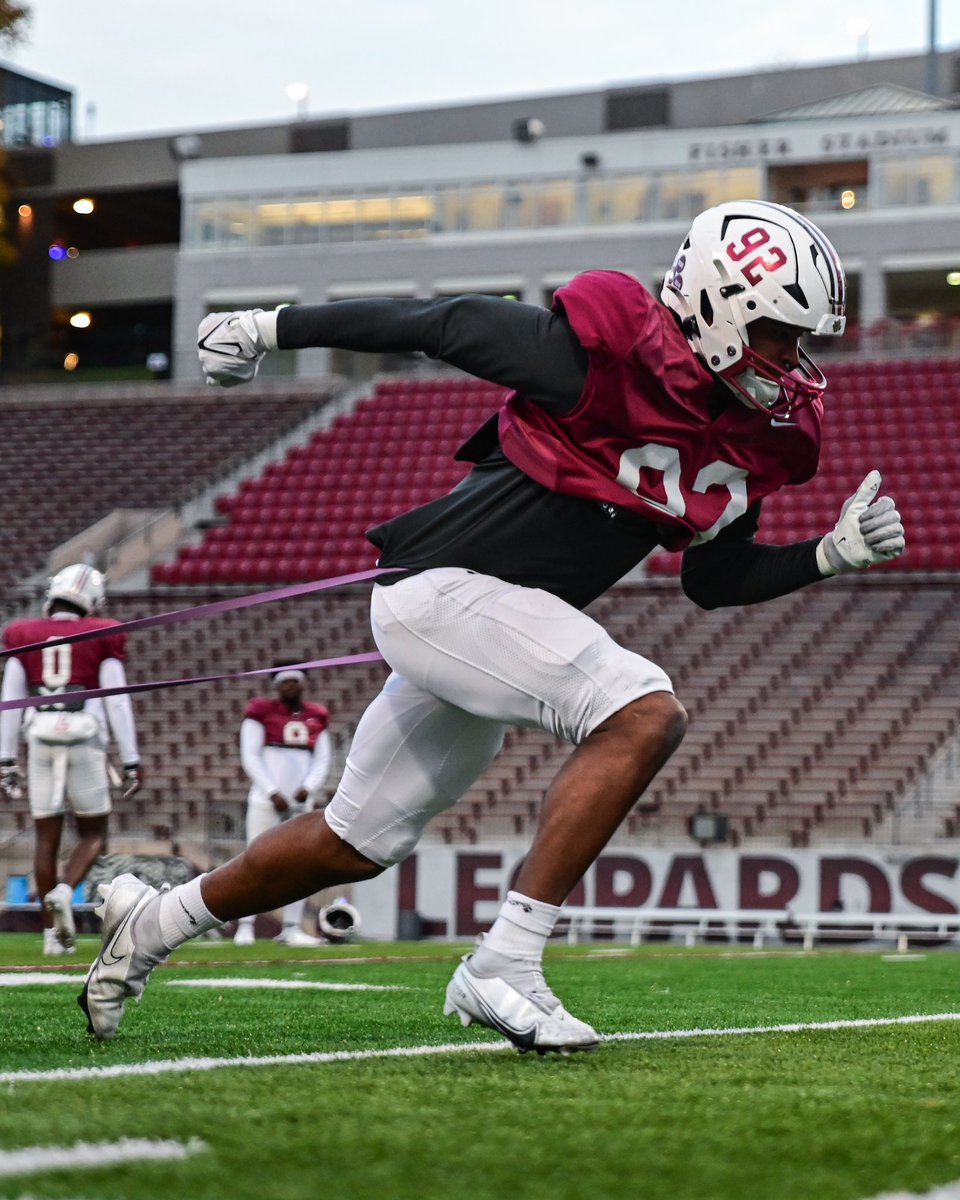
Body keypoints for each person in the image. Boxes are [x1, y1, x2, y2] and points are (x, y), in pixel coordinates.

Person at [79, 199, 904, 1050]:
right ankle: (505, 962)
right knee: (642, 710)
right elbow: (440, 323)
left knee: (355, 842)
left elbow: (713, 578)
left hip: (495, 619)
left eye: (802, 340)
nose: (793, 360)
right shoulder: (609, 351)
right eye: (779, 333)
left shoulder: (752, 432)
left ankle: (153, 922)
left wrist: (827, 555)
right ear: (716, 306)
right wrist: (269, 327)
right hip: (438, 591)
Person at [0, 564, 142, 956]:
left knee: (46, 838)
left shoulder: (22, 633)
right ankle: (65, 890)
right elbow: (116, 700)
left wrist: (5, 759)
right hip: (84, 736)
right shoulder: (103, 633)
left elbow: (10, 700)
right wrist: (131, 759)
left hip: (40, 736)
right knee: (94, 833)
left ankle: (51, 936)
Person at [234, 661, 332, 947]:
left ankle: (291, 928)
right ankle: (245, 925)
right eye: (285, 681)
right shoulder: (261, 712)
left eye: (295, 681)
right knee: (254, 860)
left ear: (303, 684)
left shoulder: (316, 715)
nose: (290, 686)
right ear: (276, 686)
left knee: (301, 866)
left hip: (300, 802)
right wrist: (272, 791)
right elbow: (250, 755)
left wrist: (308, 788)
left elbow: (322, 758)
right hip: (267, 800)